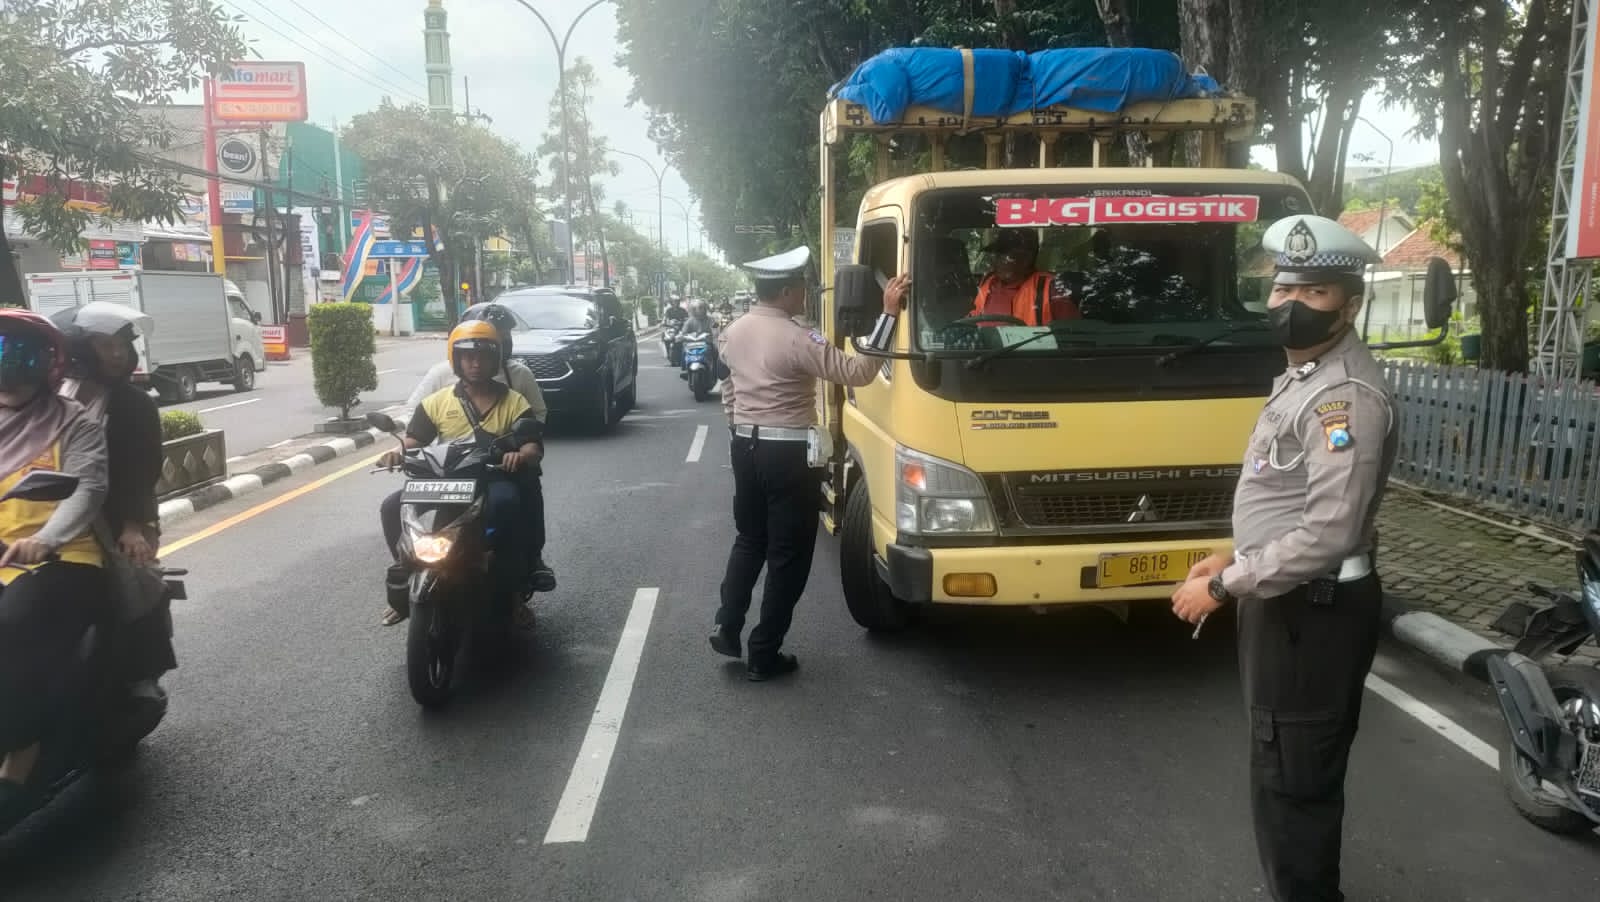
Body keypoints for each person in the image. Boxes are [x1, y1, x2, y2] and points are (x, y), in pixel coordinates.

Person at [1170, 214, 1395, 902]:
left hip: (1313, 609)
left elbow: (1329, 531)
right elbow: (1287, 495)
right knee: (1279, 765)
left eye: (1314, 292)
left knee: (1296, 779)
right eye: (1282, 288)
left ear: (1348, 305)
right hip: (1288, 599)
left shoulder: (1343, 398)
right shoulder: (1306, 375)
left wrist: (1227, 586)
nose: (1291, 303)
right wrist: (1230, 555)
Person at [712, 246, 907, 680]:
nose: (805, 295)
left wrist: (739, 427)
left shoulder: (732, 332)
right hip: (788, 455)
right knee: (788, 555)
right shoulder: (798, 337)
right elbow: (859, 372)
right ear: (786, 291)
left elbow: (728, 389)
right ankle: (764, 652)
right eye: (801, 288)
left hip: (744, 446)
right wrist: (889, 314)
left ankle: (727, 624)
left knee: (749, 540)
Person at [0, 309, 109, 815]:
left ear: (47, 365)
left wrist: (45, 539)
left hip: (62, 558)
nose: (9, 372)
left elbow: (87, 489)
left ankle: (21, 753)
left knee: (12, 623)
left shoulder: (73, 422)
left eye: (20, 356)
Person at [378, 321, 542, 625]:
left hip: (491, 478)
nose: (475, 363)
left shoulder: (514, 402)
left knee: (507, 504)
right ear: (456, 360)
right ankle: (406, 576)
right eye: (468, 356)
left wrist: (520, 455)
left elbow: (533, 445)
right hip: (446, 480)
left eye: (483, 357)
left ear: (495, 360)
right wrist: (397, 452)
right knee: (391, 507)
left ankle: (513, 596)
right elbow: (415, 440)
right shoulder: (437, 402)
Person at [55, 304, 173, 718]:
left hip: (119, 516)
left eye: (123, 344)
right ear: (79, 349)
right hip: (53, 514)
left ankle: (142, 675)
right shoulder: (53, 396)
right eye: (106, 344)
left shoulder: (134, 404)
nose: (118, 353)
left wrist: (134, 526)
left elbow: (143, 469)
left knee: (136, 582)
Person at [968, 228, 1080, 325]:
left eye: (1004, 256)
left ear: (1026, 259)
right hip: (986, 344)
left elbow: (1071, 332)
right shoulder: (989, 281)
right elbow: (971, 319)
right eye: (995, 256)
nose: (995, 262)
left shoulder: (1050, 288)